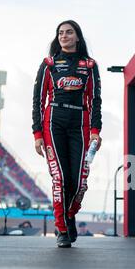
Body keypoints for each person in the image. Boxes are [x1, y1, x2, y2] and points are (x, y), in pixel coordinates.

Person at [32, 20, 102, 248]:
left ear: (77, 37)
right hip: (53, 123)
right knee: (59, 178)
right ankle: (61, 229)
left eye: (69, 32)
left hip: (80, 125)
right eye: (60, 33)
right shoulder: (49, 64)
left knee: (79, 182)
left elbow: (95, 100)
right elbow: (38, 100)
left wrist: (95, 131)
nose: (64, 36)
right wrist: (37, 134)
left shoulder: (89, 65)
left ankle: (70, 214)